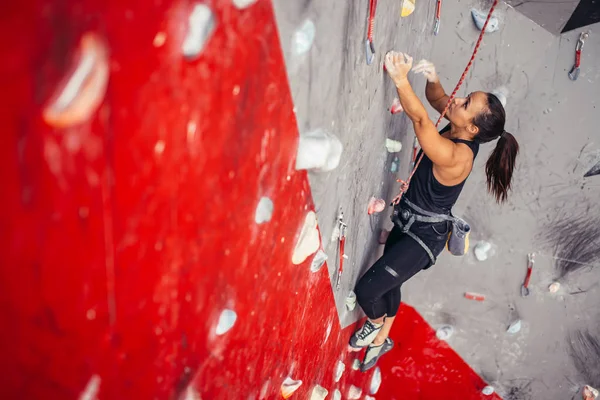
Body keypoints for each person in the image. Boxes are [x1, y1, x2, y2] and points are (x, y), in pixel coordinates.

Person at [349, 52, 519, 371]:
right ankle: (382, 340)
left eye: (466, 103)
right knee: (391, 284)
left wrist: (400, 79)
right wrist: (433, 78)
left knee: (368, 290)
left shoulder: (457, 156)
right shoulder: (462, 126)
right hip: (410, 219)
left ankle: (374, 324)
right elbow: (437, 98)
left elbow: (421, 121)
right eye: (467, 96)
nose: (458, 99)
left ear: (471, 128)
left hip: (424, 237)